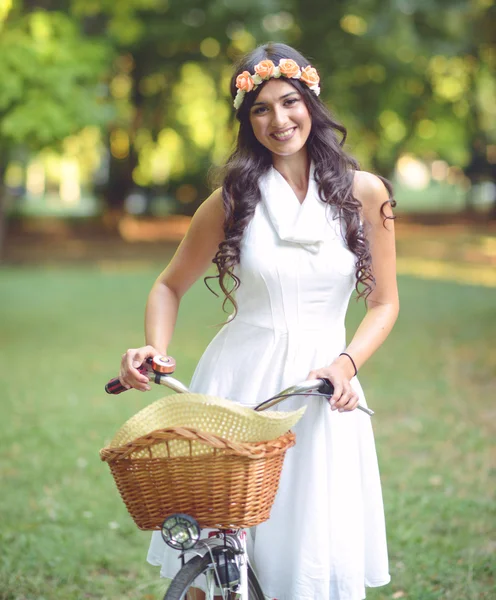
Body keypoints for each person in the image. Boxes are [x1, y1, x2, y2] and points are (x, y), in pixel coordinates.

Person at [118, 42, 399, 600]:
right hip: (238, 387)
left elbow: (385, 302)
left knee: (311, 550)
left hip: (324, 390)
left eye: (289, 102)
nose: (279, 119)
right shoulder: (230, 200)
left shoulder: (365, 192)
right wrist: (154, 347)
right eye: (261, 109)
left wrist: (346, 364)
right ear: (247, 121)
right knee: (220, 554)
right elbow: (168, 285)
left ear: (311, 104)